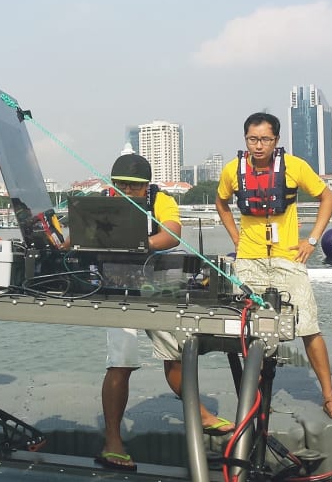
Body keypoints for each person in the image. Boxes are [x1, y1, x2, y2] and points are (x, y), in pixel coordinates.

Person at [96, 154, 233, 472]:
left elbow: (171, 234)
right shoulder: (101, 202)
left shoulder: (162, 200)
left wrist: (138, 244)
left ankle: (199, 414)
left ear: (146, 187)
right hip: (114, 287)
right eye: (121, 185)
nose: (127, 191)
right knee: (121, 361)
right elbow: (77, 233)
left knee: (174, 355)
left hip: (154, 284)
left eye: (134, 186)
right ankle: (112, 441)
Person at [215, 112, 332, 420]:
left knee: (308, 327)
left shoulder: (295, 167)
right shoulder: (232, 171)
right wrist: (236, 239)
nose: (258, 146)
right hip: (249, 261)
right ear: (245, 139)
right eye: (252, 139)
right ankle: (254, 398)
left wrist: (312, 241)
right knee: (246, 329)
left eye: (265, 139)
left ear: (276, 141)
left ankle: (328, 394)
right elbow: (221, 203)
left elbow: (328, 198)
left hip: (288, 258)